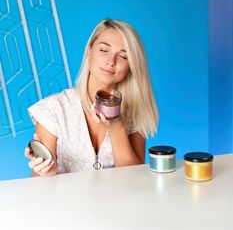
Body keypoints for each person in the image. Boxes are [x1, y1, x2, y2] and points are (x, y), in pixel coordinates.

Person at [25, 18, 159, 177]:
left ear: (131, 66)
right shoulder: (53, 109)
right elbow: (37, 186)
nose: (111, 61)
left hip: (118, 201)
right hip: (64, 201)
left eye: (123, 56)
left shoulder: (135, 114)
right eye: (104, 50)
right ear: (88, 52)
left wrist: (118, 129)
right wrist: (49, 173)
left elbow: (135, 181)